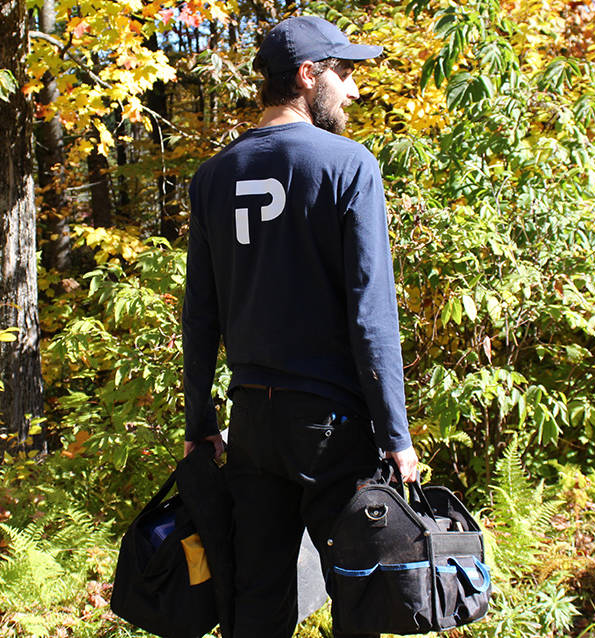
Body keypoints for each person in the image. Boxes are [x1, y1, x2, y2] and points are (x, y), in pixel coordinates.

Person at [182, 15, 419, 638]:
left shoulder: (210, 178)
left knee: (257, 601)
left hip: (252, 425)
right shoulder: (348, 165)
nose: (354, 89)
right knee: (360, 597)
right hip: (331, 428)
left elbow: (200, 316)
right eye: (343, 73)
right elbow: (372, 312)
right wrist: (395, 433)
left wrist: (199, 425)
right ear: (308, 75)